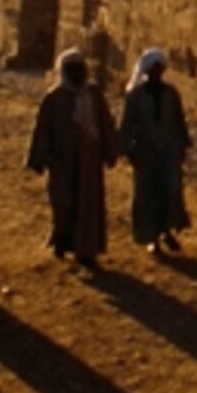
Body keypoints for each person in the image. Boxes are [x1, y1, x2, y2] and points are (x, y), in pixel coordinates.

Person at [24, 48, 119, 263]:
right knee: (63, 204)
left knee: (88, 206)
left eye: (80, 69)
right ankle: (61, 242)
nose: (77, 74)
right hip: (63, 161)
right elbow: (43, 129)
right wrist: (39, 159)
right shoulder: (54, 98)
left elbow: (104, 123)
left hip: (89, 160)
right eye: (72, 70)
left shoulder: (93, 94)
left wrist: (110, 151)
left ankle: (86, 250)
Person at [122, 47, 192, 260]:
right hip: (146, 152)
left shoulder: (171, 93)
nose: (156, 72)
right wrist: (128, 150)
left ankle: (166, 230)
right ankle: (151, 238)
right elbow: (127, 124)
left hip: (169, 150)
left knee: (169, 191)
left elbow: (179, 121)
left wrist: (182, 146)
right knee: (147, 195)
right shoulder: (136, 96)